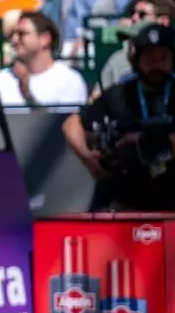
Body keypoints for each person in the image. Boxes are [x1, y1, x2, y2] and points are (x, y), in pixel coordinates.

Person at [63, 24, 175, 211]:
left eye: (163, 58)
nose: (157, 65)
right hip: (127, 199)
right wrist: (87, 157)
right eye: (149, 58)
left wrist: (146, 142)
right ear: (136, 60)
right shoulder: (118, 94)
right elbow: (72, 124)